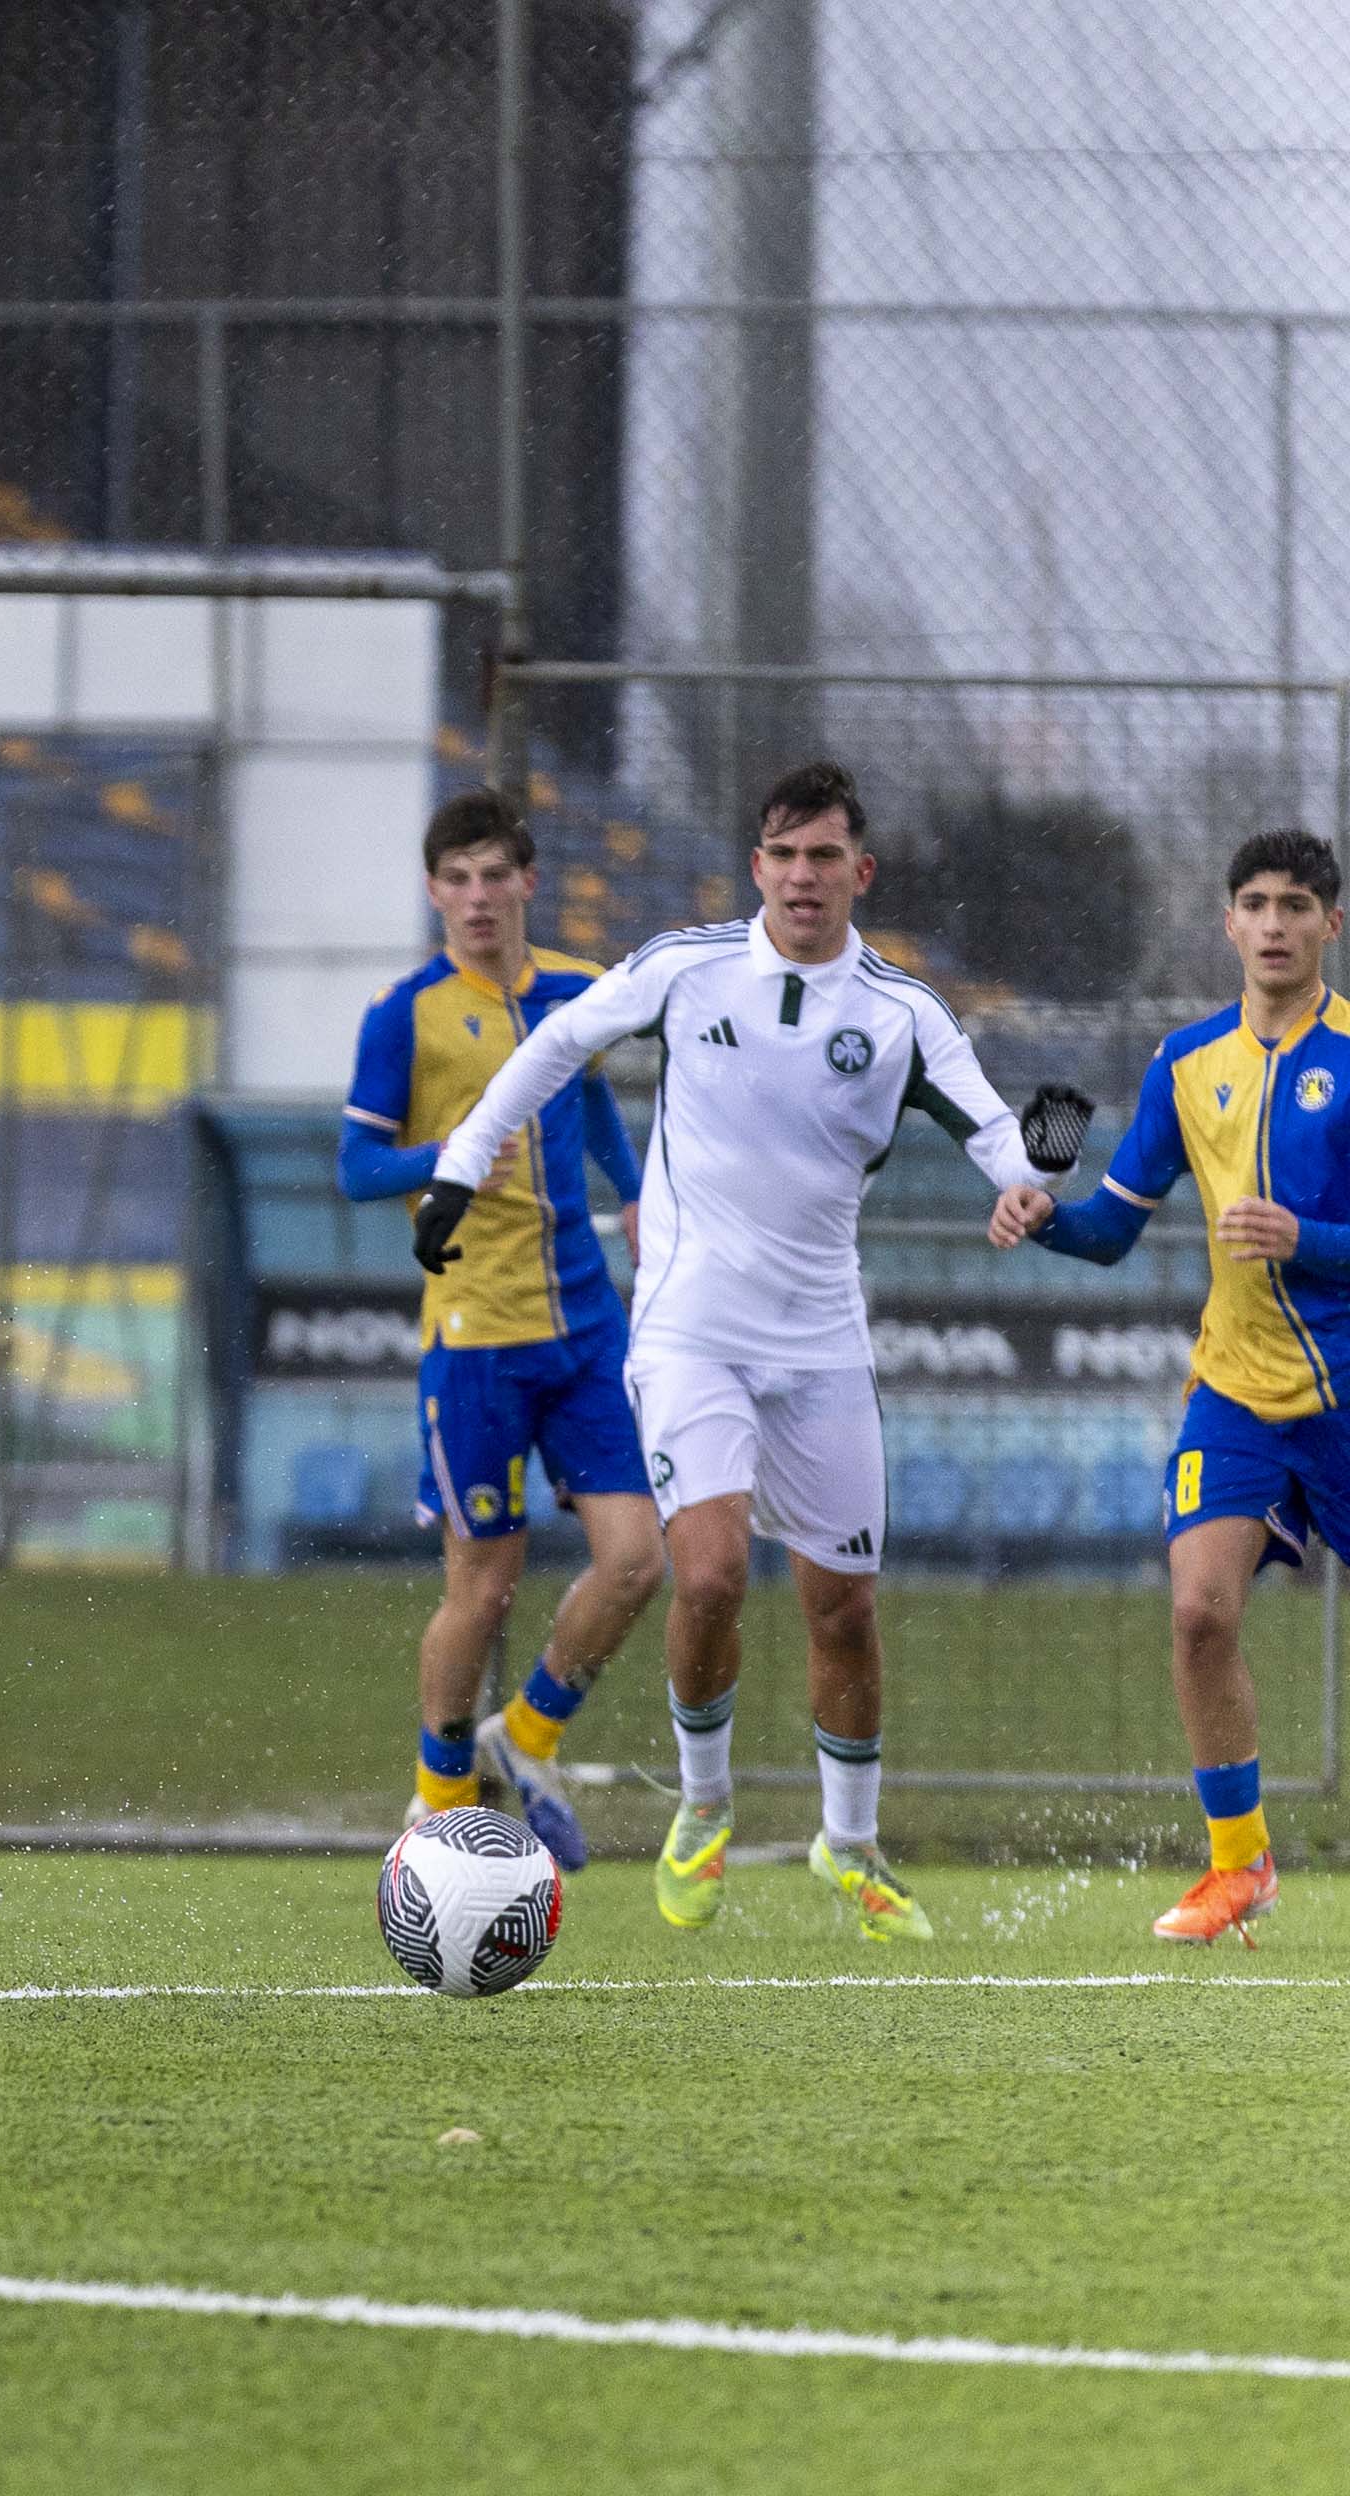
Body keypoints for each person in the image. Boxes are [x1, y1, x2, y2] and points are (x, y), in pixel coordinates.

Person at [416, 762, 1077, 1940]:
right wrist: (461, 1168)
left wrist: (1030, 1183)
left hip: (821, 1343)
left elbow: (998, 1134)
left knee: (844, 1609)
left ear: (860, 871)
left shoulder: (902, 1014)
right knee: (710, 1573)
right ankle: (705, 1806)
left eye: (824, 856)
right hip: (691, 1333)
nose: (802, 876)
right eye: (783, 854)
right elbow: (557, 1043)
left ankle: (850, 1845)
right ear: (755, 866)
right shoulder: (689, 967)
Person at [990, 828, 1350, 1946]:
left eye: (1298, 904)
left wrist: (1306, 1240)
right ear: (1228, 922)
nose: (1276, 923)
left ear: (1332, 924)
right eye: (1258, 904)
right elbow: (1111, 1229)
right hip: (1234, 1390)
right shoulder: (1186, 1063)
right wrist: (1045, 1220)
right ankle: (1240, 1863)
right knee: (1199, 1613)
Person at [340, 788, 666, 1862]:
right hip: (476, 1334)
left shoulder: (579, 989)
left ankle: (525, 1737)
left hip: (586, 1325)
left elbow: (591, 1098)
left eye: (494, 875)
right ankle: (439, 1798)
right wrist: (449, 1157)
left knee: (637, 1561)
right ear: (434, 892)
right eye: (457, 879)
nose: (477, 897)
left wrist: (634, 1191)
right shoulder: (404, 1013)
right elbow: (355, 1165)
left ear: (528, 880)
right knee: (482, 1586)